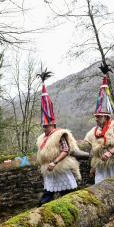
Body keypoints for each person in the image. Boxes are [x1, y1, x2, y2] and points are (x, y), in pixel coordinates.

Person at [35, 68, 81, 205]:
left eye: (47, 125)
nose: (45, 128)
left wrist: (55, 163)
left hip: (59, 168)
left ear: (53, 124)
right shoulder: (42, 137)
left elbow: (65, 150)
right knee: (47, 195)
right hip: (49, 171)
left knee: (68, 195)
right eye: (43, 125)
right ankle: (41, 210)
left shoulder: (59, 134)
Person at [84, 64, 114, 184]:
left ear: (106, 116)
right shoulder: (93, 132)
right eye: (96, 117)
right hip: (102, 166)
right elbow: (93, 150)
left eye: (99, 117)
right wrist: (94, 167)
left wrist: (110, 152)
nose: (96, 119)